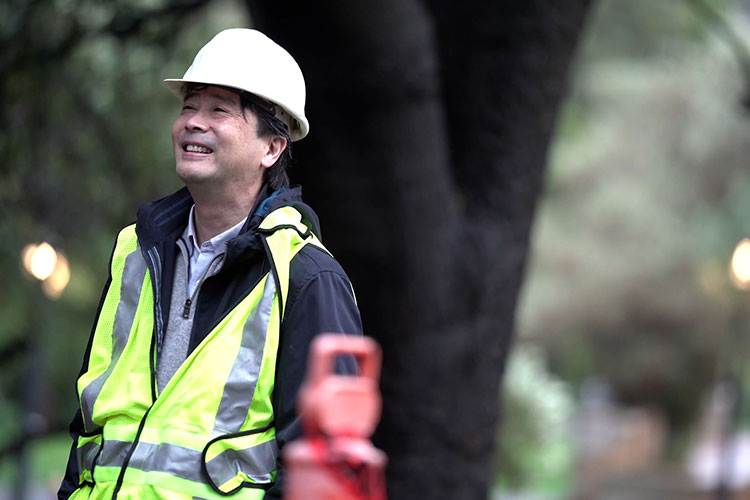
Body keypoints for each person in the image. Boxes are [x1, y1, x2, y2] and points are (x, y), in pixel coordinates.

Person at [58, 28, 362, 500]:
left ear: (272, 148)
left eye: (218, 110)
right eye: (188, 107)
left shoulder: (305, 277)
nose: (193, 123)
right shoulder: (135, 252)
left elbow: (325, 470)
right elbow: (88, 427)